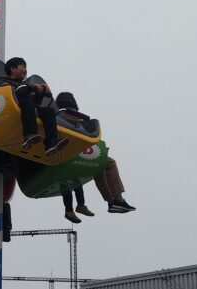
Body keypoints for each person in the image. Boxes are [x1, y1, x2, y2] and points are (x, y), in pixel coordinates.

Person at [55, 91, 136, 222]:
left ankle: (110, 202)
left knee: (98, 167)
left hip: (70, 155)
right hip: (70, 154)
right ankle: (116, 200)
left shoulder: (58, 117)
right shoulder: (70, 118)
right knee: (109, 163)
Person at [0, 57, 68, 155]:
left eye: (26, 68)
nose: (25, 70)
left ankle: (51, 141)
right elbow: (16, 92)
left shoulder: (24, 85)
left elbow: (34, 100)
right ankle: (29, 134)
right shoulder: (3, 81)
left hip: (28, 108)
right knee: (28, 103)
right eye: (23, 67)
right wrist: (33, 87)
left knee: (49, 111)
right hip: (11, 106)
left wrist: (42, 92)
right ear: (13, 69)